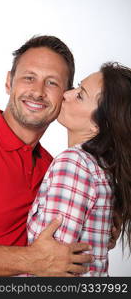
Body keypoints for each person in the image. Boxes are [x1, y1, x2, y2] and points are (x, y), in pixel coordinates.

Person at [0, 35, 119, 277]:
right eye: (29, 78)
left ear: (65, 95)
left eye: (52, 83)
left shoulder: (55, 167)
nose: (37, 92)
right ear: (9, 82)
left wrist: (100, 220)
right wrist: (31, 261)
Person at [27, 62, 131, 276]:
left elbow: (49, 266)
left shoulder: (73, 163)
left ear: (98, 125)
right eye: (76, 87)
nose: (66, 94)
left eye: (80, 95)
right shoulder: (101, 170)